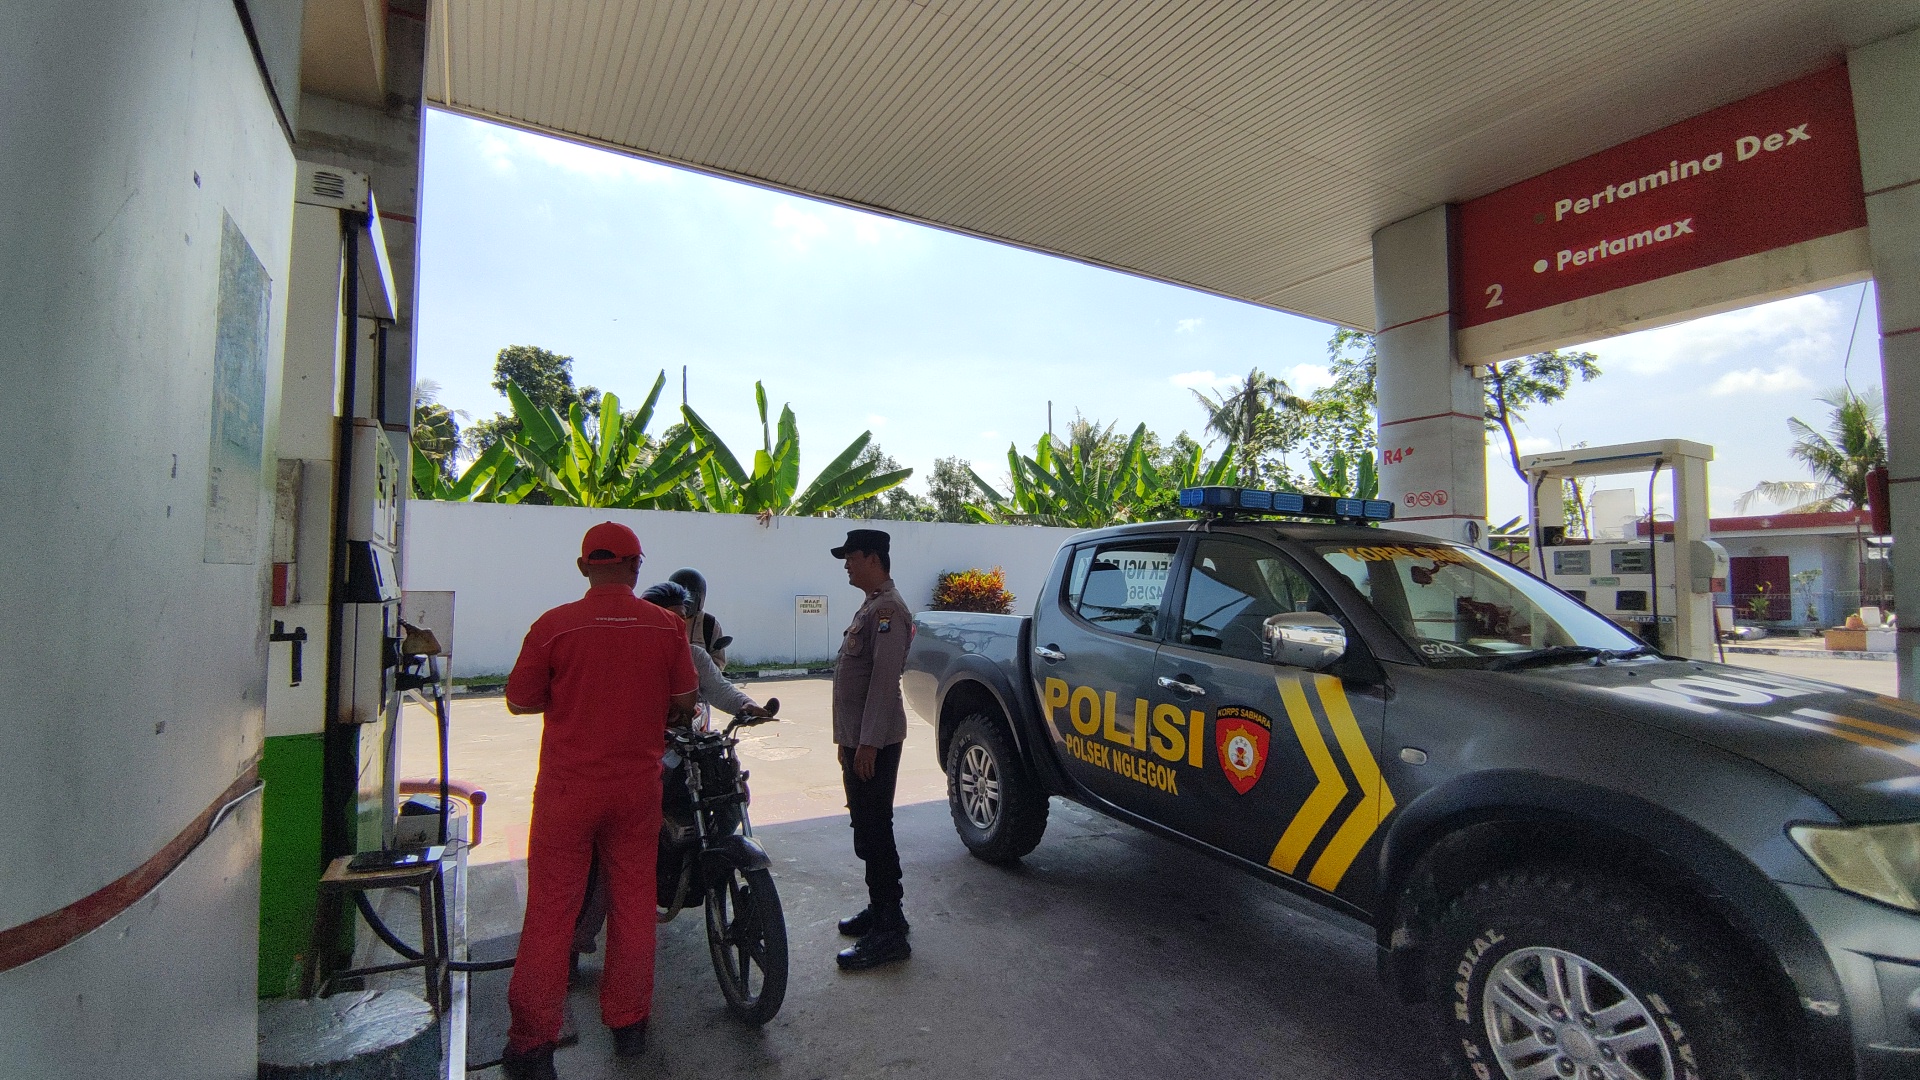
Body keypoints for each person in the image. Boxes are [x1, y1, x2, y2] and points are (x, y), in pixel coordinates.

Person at [501, 522, 698, 1080]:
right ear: (635, 567)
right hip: (636, 790)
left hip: (568, 792)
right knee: (633, 904)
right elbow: (686, 698)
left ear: (584, 566)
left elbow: (519, 701)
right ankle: (629, 1024)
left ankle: (532, 1045)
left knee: (551, 911)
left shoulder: (553, 626)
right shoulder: (667, 626)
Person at [571, 581, 773, 962]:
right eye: (669, 618)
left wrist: (747, 707)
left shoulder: (694, 655)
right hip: (639, 762)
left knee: (731, 793)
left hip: (688, 754)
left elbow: (720, 689)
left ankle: (709, 864)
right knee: (615, 846)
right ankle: (579, 936)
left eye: (682, 619)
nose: (677, 626)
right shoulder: (628, 655)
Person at [828, 528, 915, 971]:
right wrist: (848, 742)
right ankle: (880, 909)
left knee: (876, 829)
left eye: (851, 556)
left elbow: (883, 682)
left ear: (873, 559)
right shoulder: (871, 606)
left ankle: (890, 930)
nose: (846, 564)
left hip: (874, 742)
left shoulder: (888, 611)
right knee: (866, 827)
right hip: (859, 739)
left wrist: (867, 744)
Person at [668, 567, 729, 669]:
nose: (684, 603)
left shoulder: (709, 624)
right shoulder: (662, 620)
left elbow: (718, 662)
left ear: (700, 598)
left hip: (700, 678)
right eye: (679, 597)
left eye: (689, 597)